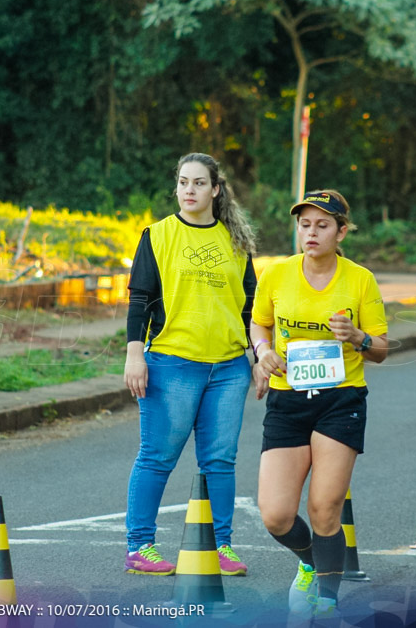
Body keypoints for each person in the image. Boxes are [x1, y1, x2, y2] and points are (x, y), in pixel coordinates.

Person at [251, 190, 388, 618]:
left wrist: (357, 337)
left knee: (325, 506)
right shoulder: (275, 275)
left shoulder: (359, 279)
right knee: (275, 515)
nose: (311, 232)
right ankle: (312, 563)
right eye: (305, 224)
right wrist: (262, 352)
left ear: (341, 231)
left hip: (340, 399)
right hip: (288, 399)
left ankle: (327, 605)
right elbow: (259, 323)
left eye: (323, 225)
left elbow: (381, 347)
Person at [123, 153, 256, 576]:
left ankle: (222, 547)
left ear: (216, 190)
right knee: (158, 456)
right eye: (183, 182)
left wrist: (259, 355)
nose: (189, 191)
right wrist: (134, 353)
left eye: (199, 183)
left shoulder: (236, 242)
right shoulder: (158, 235)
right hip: (172, 363)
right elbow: (140, 299)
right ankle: (140, 545)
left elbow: (251, 306)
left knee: (220, 461)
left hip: (230, 367)